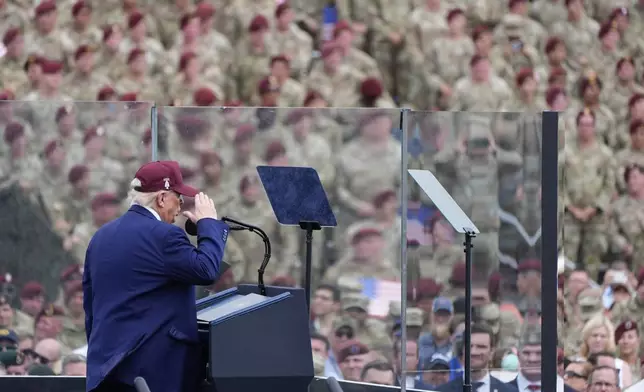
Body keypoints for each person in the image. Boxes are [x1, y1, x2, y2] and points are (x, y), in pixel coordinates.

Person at [83, 160, 229, 392]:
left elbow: (91, 308)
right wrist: (208, 224)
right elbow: (206, 269)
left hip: (106, 369)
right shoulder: (165, 236)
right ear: (161, 198)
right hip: (153, 373)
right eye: (178, 199)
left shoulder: (101, 237)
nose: (180, 208)